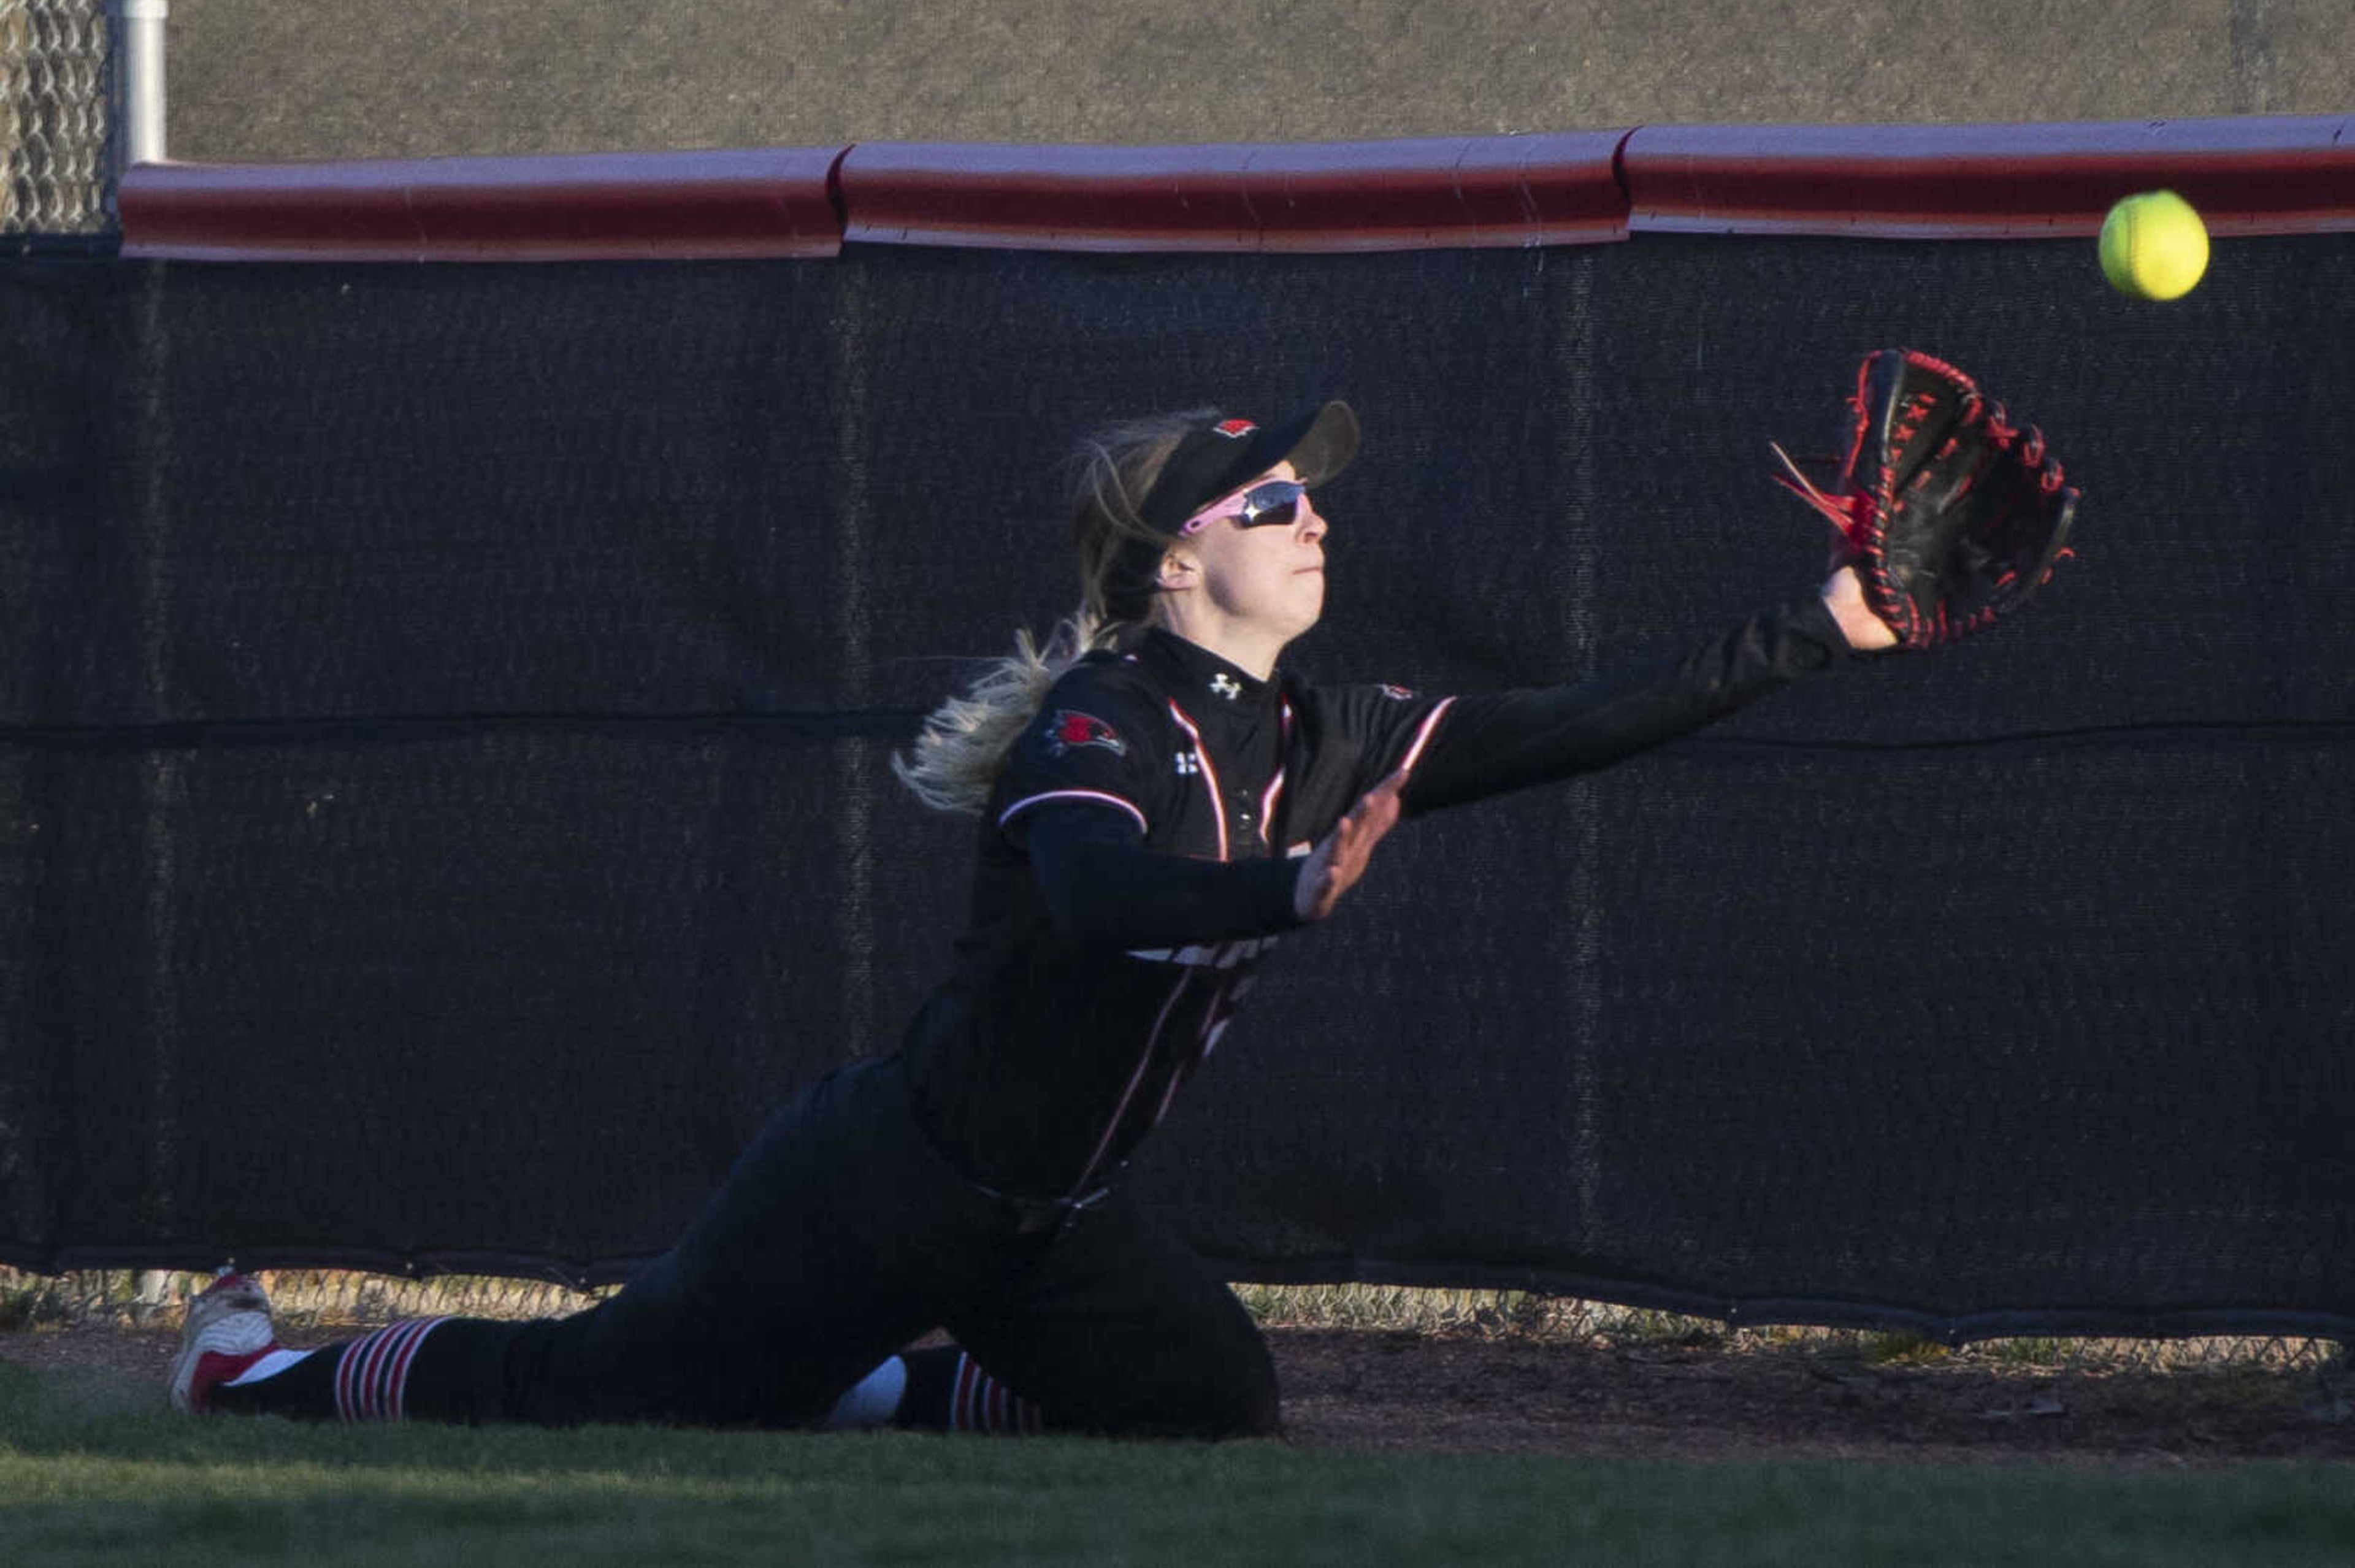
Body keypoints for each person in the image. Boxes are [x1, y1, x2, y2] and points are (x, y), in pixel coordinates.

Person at [168, 399, 1898, 1437]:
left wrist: (1819, 625)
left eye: (1312, 492)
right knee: (606, 1389)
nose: (1316, 515)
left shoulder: (1327, 732)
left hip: (1051, 1221)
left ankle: (848, 1384)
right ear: (1172, 564)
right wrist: (1280, 890)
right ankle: (246, 1378)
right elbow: (1090, 895)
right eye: (1271, 498)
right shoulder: (1101, 723)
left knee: (1219, 1404)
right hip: (884, 1183)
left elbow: (1578, 717)